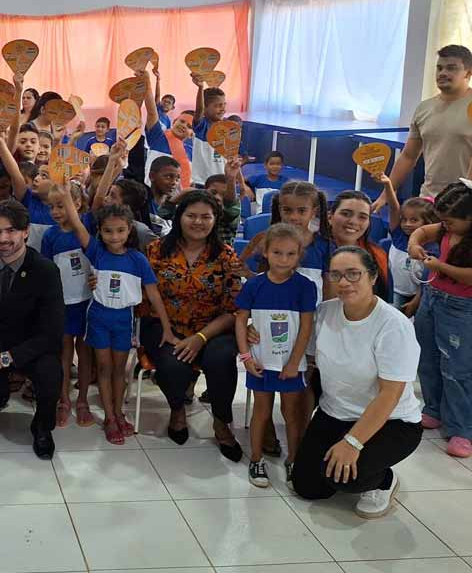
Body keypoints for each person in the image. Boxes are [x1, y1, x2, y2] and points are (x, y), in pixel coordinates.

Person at [291, 247, 423, 519]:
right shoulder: (324, 312)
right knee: (308, 487)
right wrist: (254, 333)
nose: (344, 282)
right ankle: (354, 462)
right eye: (336, 275)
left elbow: (390, 395)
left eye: (353, 274)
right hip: (335, 413)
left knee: (345, 478)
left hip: (391, 421)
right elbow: (304, 357)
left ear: (372, 277)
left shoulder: (393, 325)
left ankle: (384, 480)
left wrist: (352, 443)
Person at [139, 190, 244, 460]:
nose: (198, 222)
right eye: (191, 215)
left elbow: (233, 309)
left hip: (213, 328)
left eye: (205, 217)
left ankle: (221, 421)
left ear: (215, 219)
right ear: (179, 217)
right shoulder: (156, 250)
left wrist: (200, 338)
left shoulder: (226, 256)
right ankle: (177, 410)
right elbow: (142, 295)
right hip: (164, 324)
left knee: (221, 358)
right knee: (172, 364)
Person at [0, 200, 65, 459]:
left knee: (51, 372)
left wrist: (4, 359)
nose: (3, 238)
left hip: (28, 350)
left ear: (25, 232)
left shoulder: (45, 271)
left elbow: (51, 334)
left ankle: (42, 427)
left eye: (10, 231)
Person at [64, 197, 173, 444]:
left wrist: (166, 328)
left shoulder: (138, 259)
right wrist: (67, 196)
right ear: (100, 231)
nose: (114, 237)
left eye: (121, 230)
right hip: (98, 318)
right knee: (103, 368)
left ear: (130, 229)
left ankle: (119, 412)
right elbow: (77, 224)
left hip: (124, 320)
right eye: (108, 231)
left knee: (119, 370)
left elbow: (154, 295)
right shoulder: (96, 252)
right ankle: (110, 417)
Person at [235, 224, 316, 488]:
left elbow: (306, 327)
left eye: (291, 254)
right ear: (266, 252)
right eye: (277, 253)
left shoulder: (305, 286)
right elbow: (240, 321)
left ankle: (293, 459)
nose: (283, 259)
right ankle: (256, 459)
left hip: (290, 365)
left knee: (292, 413)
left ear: (299, 255)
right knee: (261, 412)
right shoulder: (253, 285)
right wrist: (246, 357)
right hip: (260, 362)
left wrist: (294, 362)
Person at [409, 180, 472, 458]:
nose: (445, 226)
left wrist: (440, 266)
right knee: (428, 357)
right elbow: (422, 231)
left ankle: (462, 429)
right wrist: (414, 245)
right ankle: (433, 408)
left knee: (457, 368)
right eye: (443, 221)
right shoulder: (446, 228)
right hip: (432, 298)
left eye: (451, 222)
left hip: (461, 307)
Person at [378, 45, 472, 201]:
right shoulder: (424, 108)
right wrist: (387, 193)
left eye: (451, 68)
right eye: (439, 68)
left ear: (468, 73)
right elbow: (408, 156)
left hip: (464, 203)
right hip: (429, 199)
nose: (443, 73)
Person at [42, 182, 96, 428]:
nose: (55, 211)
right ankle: (63, 399)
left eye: (61, 205)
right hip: (62, 304)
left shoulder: (87, 226)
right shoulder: (50, 236)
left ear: (77, 204)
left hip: (86, 302)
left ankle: (82, 399)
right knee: (64, 353)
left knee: (84, 352)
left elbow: (99, 197)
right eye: (52, 206)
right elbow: (46, 270)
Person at [375, 174, 438, 313]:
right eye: (404, 219)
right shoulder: (398, 235)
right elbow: (394, 208)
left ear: (428, 223)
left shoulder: (433, 249)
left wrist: (416, 300)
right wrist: (388, 185)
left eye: (414, 220)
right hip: (394, 291)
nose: (407, 224)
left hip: (418, 295)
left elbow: (428, 280)